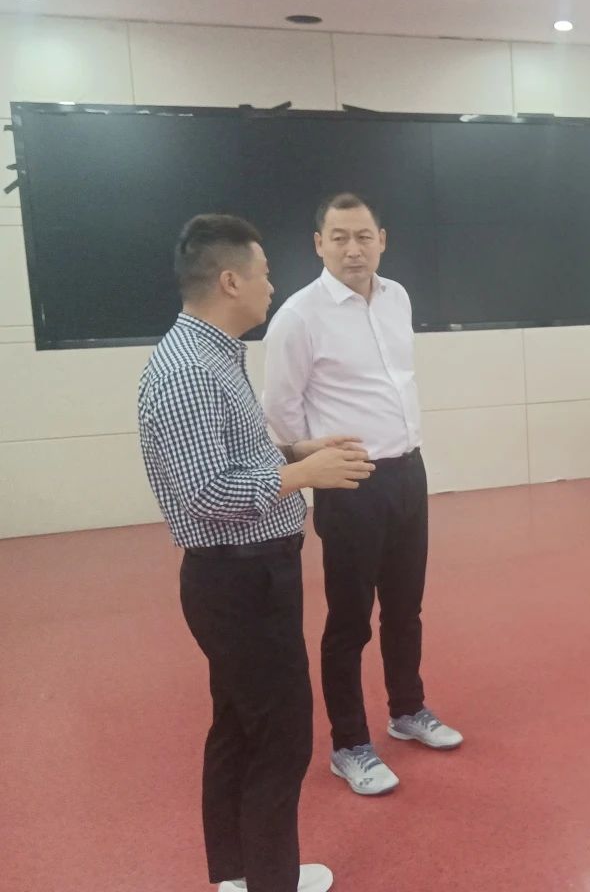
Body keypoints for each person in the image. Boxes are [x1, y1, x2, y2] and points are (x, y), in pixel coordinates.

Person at [138, 213, 375, 892]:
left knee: (240, 728)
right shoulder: (189, 371)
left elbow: (232, 455)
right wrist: (302, 476)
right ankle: (272, 881)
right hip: (239, 582)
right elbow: (207, 492)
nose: (273, 286)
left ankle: (241, 875)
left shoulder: (215, 355)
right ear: (230, 280)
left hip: (249, 575)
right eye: (265, 273)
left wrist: (295, 450)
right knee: (280, 737)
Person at [263, 192, 462, 799]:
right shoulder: (299, 316)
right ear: (318, 244)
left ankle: (408, 709)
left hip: (408, 472)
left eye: (364, 236)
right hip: (350, 482)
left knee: (405, 608)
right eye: (340, 237)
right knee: (349, 620)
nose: (354, 249)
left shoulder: (397, 296)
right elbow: (280, 410)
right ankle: (349, 743)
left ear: (382, 240)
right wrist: (315, 465)